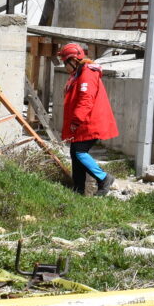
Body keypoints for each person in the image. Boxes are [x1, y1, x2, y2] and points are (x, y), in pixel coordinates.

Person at [58, 42, 117, 196]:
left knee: (79, 152)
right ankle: (78, 190)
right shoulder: (79, 73)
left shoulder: (87, 74)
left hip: (89, 122)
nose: (64, 66)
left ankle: (104, 178)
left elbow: (85, 99)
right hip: (84, 122)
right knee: (75, 153)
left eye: (65, 62)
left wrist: (76, 120)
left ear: (73, 60)